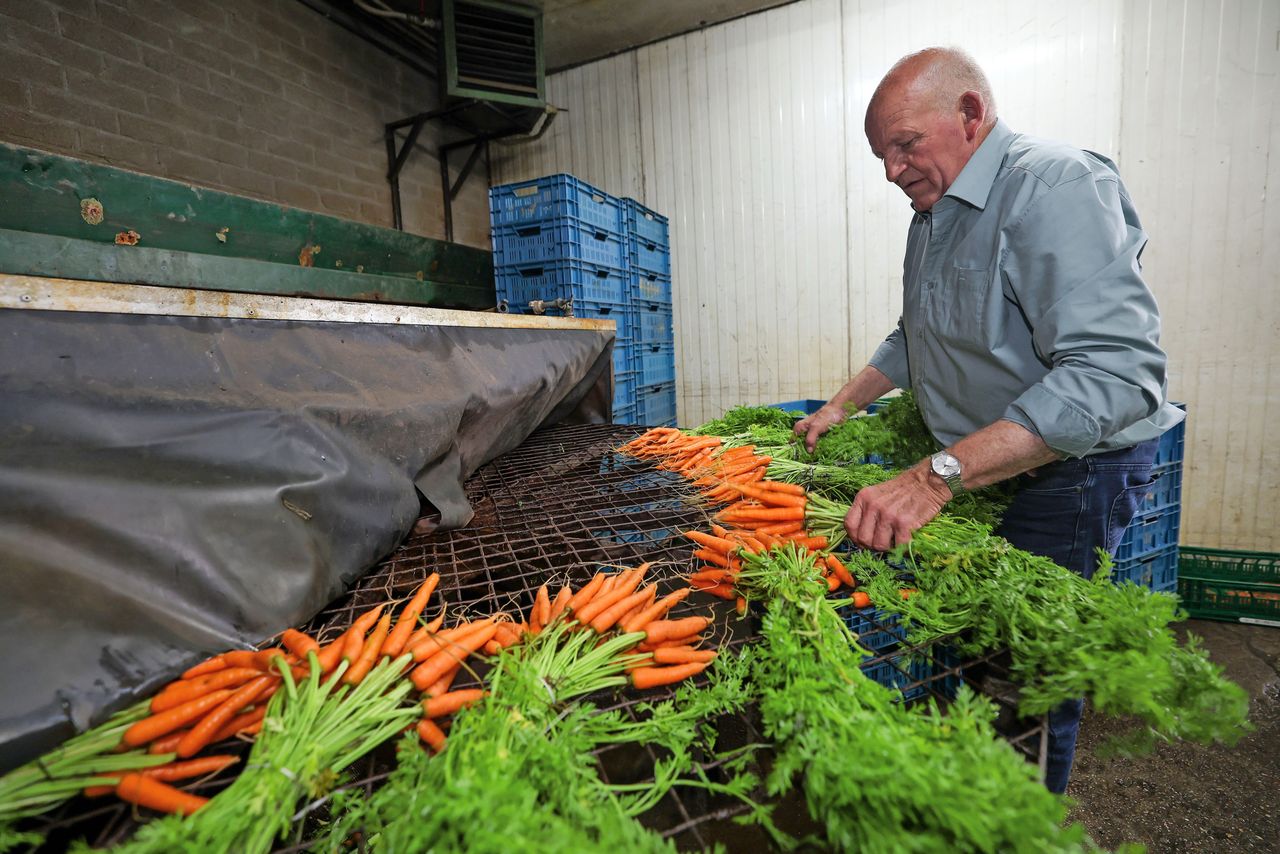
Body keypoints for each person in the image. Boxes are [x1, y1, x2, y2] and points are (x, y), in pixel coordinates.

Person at [794, 46, 1183, 794]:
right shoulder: (931, 217)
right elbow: (917, 333)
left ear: (971, 114)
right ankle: (967, 791)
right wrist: (845, 401)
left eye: (905, 145)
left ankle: (1013, 820)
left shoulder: (1056, 186)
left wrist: (938, 475)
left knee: (1022, 673)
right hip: (988, 460)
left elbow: (1116, 374)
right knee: (973, 645)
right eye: (881, 155)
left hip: (1072, 469)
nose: (892, 170)